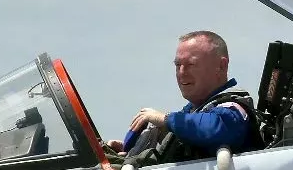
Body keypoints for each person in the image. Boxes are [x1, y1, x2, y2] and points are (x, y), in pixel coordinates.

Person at [107, 30, 264, 163]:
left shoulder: (233, 108)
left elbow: (217, 128)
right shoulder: (193, 112)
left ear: (221, 66)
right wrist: (132, 149)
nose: (181, 73)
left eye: (191, 65)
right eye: (178, 65)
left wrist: (166, 119)